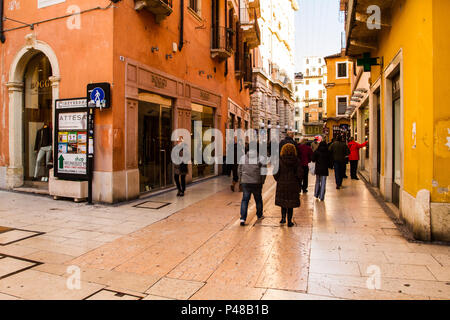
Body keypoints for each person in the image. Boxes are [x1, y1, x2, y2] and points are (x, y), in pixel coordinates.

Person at [274, 143, 303, 227]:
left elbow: (275, 172)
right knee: (290, 203)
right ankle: (289, 221)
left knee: (283, 201)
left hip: (282, 183)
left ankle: (283, 218)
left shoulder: (279, 160)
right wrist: (298, 181)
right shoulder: (296, 161)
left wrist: (278, 179)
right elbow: (300, 173)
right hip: (293, 184)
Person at [238, 146, 267, 226]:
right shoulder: (261, 158)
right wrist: (262, 181)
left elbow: (239, 170)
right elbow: (264, 171)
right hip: (256, 182)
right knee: (258, 199)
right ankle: (259, 215)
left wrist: (240, 180)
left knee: (245, 200)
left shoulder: (243, 158)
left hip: (245, 182)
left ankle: (242, 218)